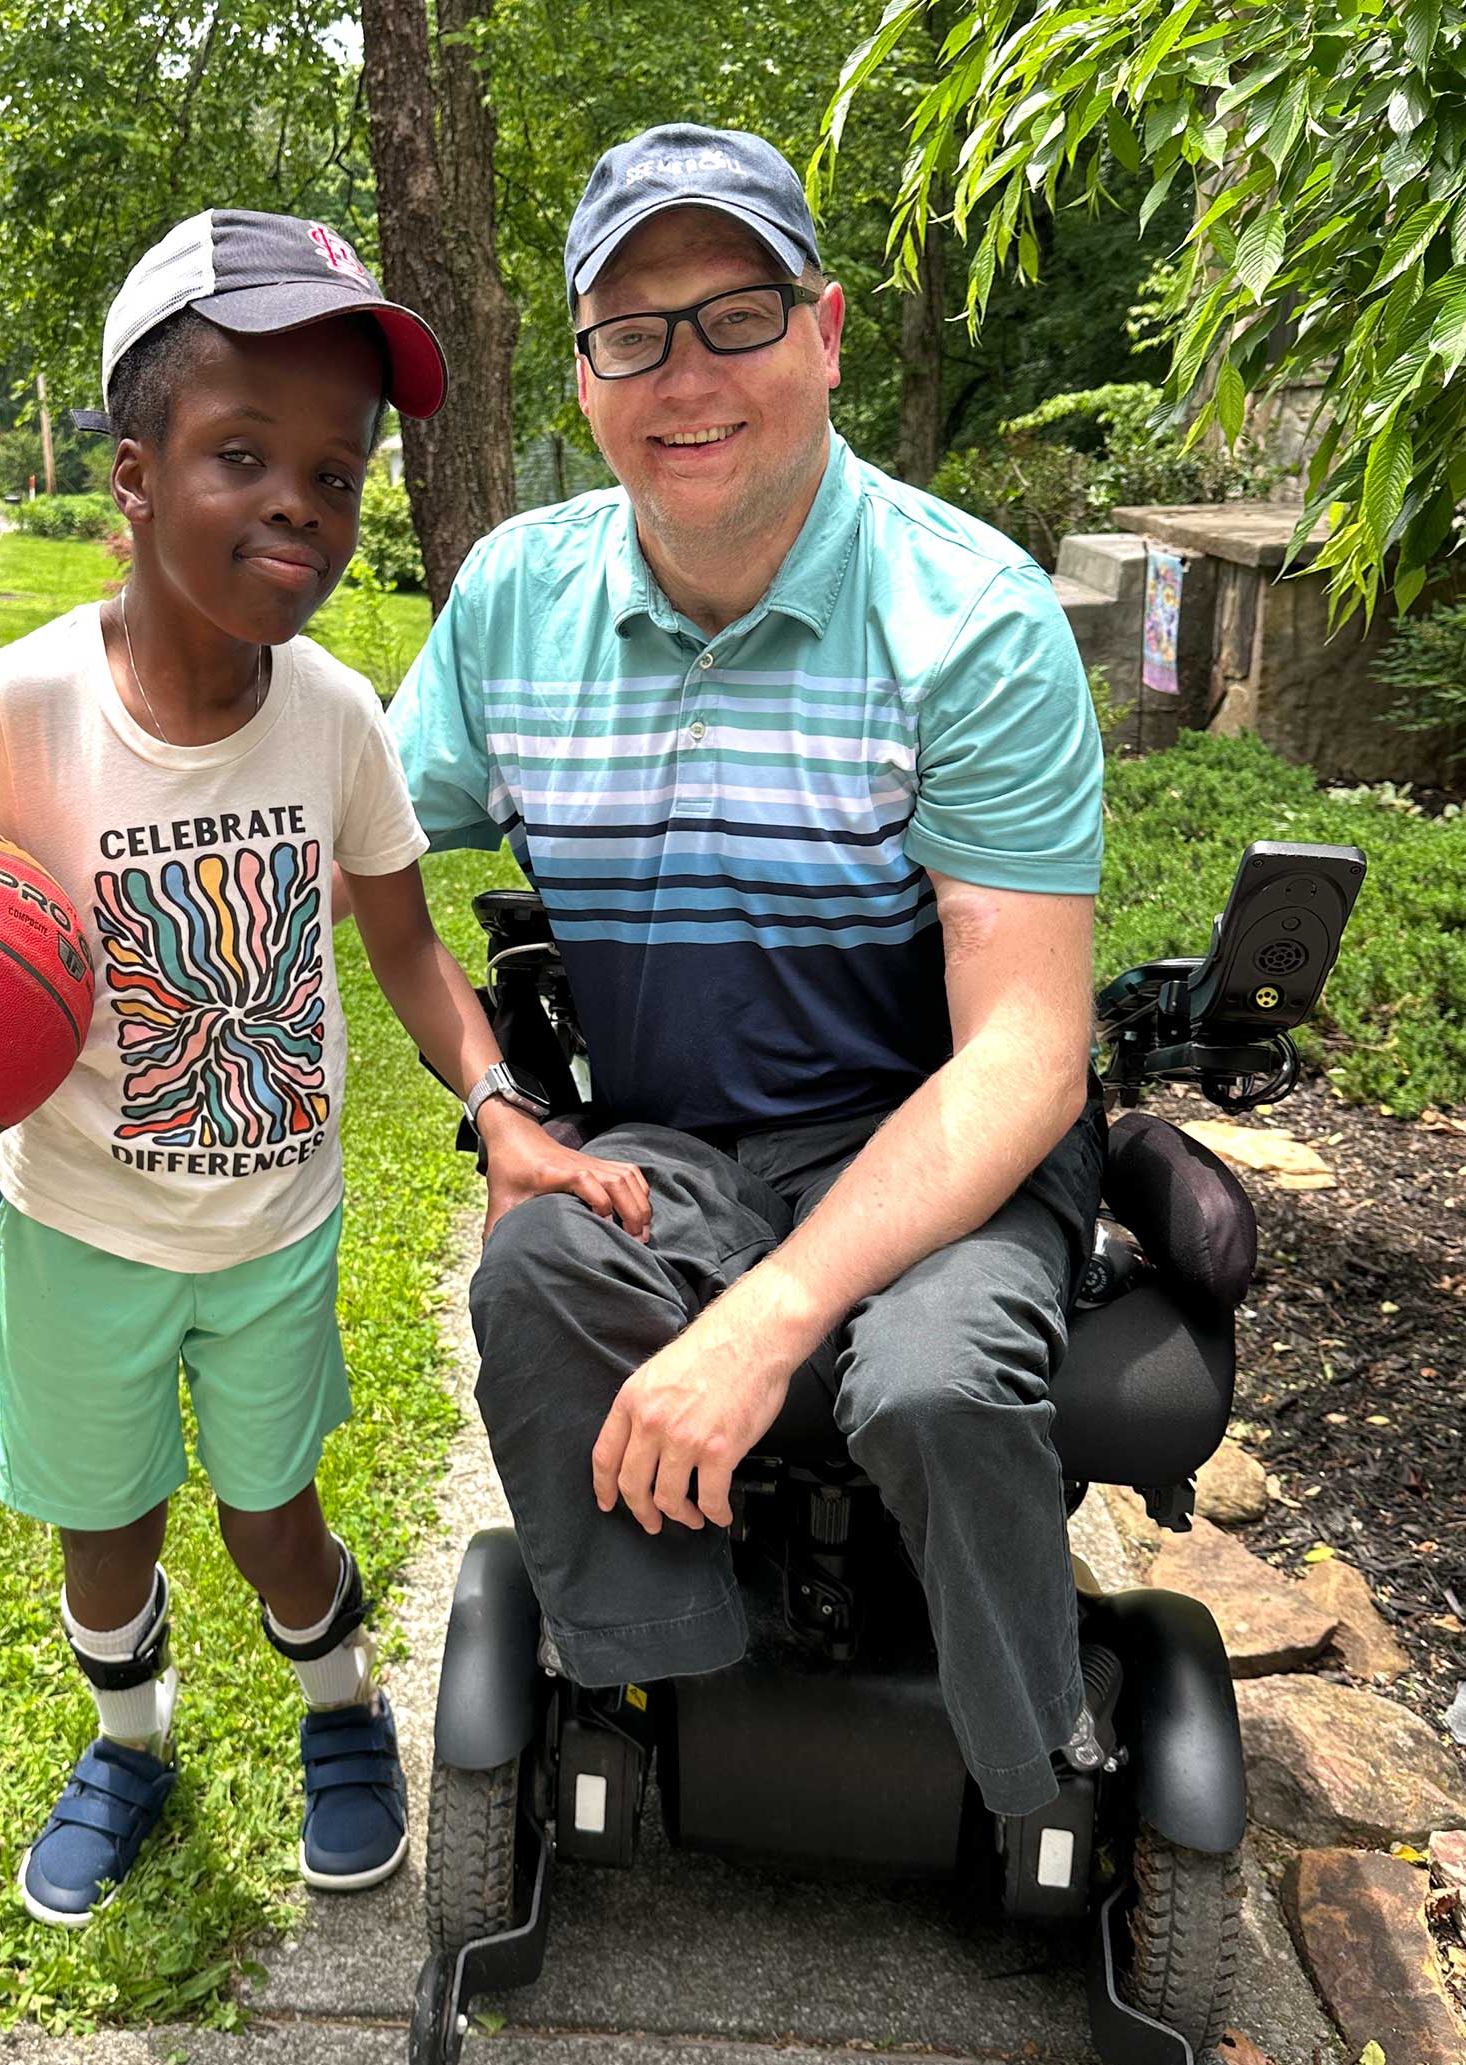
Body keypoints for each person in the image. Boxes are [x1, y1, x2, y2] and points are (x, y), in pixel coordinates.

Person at [0, 209, 649, 1927]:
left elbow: (409, 952)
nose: (301, 498)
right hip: (79, 1223)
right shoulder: (18, 708)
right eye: (242, 454)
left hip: (273, 1229)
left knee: (272, 1518)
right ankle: (129, 1747)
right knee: (105, 1523)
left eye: (335, 470)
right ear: (133, 476)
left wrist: (504, 1106)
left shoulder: (340, 721)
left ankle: (336, 1708)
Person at [389, 127, 1111, 1818]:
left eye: (735, 316)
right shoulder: (513, 603)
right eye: (630, 332)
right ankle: (651, 1672)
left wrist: (777, 1317)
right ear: (581, 373)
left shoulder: (970, 621)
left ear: (829, 329)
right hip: (673, 1144)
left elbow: (1024, 1054)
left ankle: (1039, 1764)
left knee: (931, 1385)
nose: (681, 375)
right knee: (536, 1272)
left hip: (935, 1141)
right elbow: (332, 825)